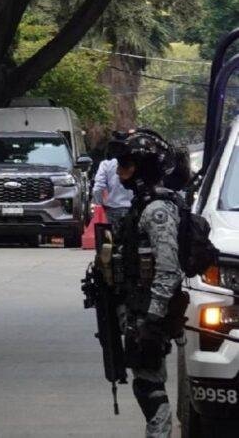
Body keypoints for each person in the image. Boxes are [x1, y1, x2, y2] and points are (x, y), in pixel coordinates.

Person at [109, 129, 184, 438]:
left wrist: (154, 317)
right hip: (138, 307)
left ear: (143, 167)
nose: (119, 171)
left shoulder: (157, 211)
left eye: (126, 164)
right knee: (144, 378)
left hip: (150, 310)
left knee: (149, 381)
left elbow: (168, 269)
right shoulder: (141, 206)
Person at [92, 133, 134, 227]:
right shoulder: (136, 164)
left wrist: (100, 205)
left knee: (113, 239)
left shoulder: (106, 164)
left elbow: (98, 188)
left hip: (113, 209)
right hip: (133, 210)